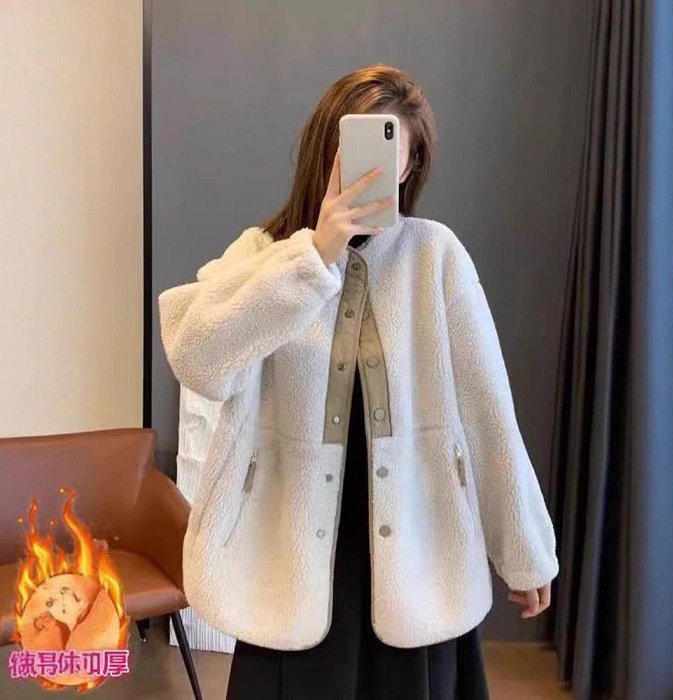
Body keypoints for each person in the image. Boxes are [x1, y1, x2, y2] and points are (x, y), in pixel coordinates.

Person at [158, 63, 559, 700]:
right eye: (360, 143)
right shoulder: (265, 254)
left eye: (396, 147)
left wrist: (525, 548)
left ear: (410, 164)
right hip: (291, 550)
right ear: (328, 148)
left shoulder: (435, 256)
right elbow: (198, 358)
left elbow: (488, 409)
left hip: (418, 542)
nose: (378, 165)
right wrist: (315, 256)